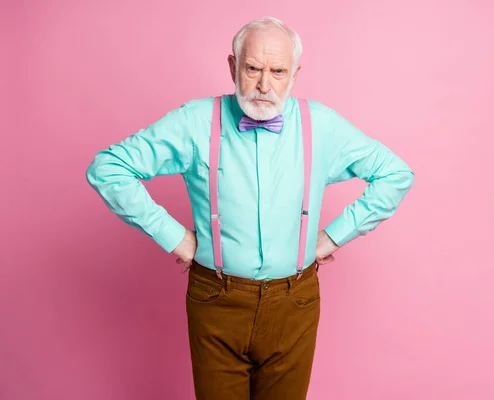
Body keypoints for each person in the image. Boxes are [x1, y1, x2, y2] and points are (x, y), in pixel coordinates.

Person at [86, 16, 414, 400]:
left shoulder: (320, 125)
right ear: (232, 66)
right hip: (217, 300)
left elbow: (395, 173)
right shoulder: (195, 121)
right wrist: (174, 238)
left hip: (296, 301)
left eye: (278, 71)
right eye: (253, 68)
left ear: (295, 74)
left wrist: (331, 237)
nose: (264, 85)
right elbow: (108, 168)